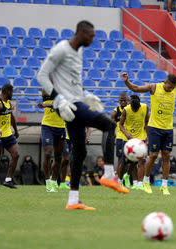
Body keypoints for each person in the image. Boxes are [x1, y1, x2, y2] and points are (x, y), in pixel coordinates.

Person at [37, 20, 128, 211]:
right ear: (82, 32)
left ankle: (73, 200)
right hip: (69, 105)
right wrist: (58, 99)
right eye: (91, 36)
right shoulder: (61, 49)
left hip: (75, 103)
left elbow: (73, 84)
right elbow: (42, 76)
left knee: (79, 153)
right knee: (109, 126)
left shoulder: (78, 51)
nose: (93, 39)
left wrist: (86, 96)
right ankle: (109, 175)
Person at [122, 72, 176, 195]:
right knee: (154, 155)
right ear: (165, 82)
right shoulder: (154, 87)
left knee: (166, 155)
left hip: (168, 128)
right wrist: (126, 81)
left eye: (173, 87)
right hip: (154, 127)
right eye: (170, 86)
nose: (171, 89)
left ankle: (164, 185)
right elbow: (136, 88)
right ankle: (145, 181)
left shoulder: (174, 90)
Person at [0, 84, 20, 189]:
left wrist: (15, 130)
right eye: (12, 92)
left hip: (8, 134)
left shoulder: (8, 103)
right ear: (7, 91)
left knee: (16, 155)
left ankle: (8, 180)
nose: (13, 94)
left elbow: (11, 118)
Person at [37, 92, 67, 192]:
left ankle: (54, 181)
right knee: (48, 153)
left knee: (58, 156)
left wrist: (46, 105)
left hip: (61, 127)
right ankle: (48, 181)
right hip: (47, 126)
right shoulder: (47, 88)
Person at [119, 94, 149, 190]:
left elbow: (147, 122)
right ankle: (120, 180)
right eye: (133, 109)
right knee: (124, 162)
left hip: (141, 139)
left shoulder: (145, 107)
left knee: (141, 161)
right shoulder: (126, 110)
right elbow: (120, 125)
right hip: (128, 140)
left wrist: (148, 136)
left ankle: (139, 184)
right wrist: (126, 133)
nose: (135, 110)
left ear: (139, 105)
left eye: (137, 109)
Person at [111, 92, 129, 185]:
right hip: (119, 138)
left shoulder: (130, 110)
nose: (122, 102)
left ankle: (127, 178)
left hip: (128, 137)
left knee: (129, 160)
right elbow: (112, 125)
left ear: (127, 100)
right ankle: (119, 179)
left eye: (124, 100)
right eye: (121, 100)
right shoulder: (115, 111)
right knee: (120, 159)